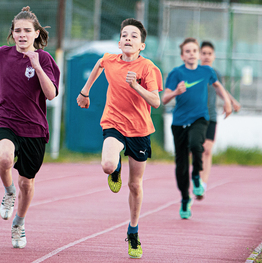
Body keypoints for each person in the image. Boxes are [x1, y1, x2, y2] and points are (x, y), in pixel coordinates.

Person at [0, 6, 60, 249]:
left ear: (36, 33)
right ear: (12, 33)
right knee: (4, 159)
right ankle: (8, 192)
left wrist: (37, 65)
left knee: (27, 183)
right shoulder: (3, 53)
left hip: (33, 127)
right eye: (17, 30)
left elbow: (51, 94)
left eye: (27, 31)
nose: (22, 34)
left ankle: (19, 223)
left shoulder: (45, 59)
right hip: (6, 120)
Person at [77, 18, 163, 259]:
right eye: (124, 35)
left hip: (140, 130)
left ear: (142, 45)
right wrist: (85, 92)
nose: (128, 38)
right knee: (107, 164)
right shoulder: (110, 59)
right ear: (119, 41)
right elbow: (98, 65)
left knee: (135, 185)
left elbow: (155, 101)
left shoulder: (147, 68)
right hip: (114, 122)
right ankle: (115, 168)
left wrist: (136, 86)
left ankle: (133, 231)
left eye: (134, 36)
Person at [162, 37, 232, 219]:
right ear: (182, 55)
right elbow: (164, 98)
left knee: (196, 145)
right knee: (181, 165)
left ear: (198, 54)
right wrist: (176, 92)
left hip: (200, 118)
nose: (192, 54)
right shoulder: (176, 73)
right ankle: (185, 198)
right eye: (188, 51)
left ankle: (197, 177)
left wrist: (227, 102)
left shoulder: (207, 71)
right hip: (179, 123)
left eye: (194, 51)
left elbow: (218, 86)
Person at [199, 41, 241, 199]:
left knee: (208, 150)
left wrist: (231, 101)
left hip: (211, 116)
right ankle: (196, 176)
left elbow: (221, 90)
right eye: (204, 53)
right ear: (199, 55)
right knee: (198, 151)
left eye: (209, 54)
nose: (207, 56)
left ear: (214, 56)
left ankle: (203, 183)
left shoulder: (215, 73)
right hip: (195, 117)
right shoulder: (193, 72)